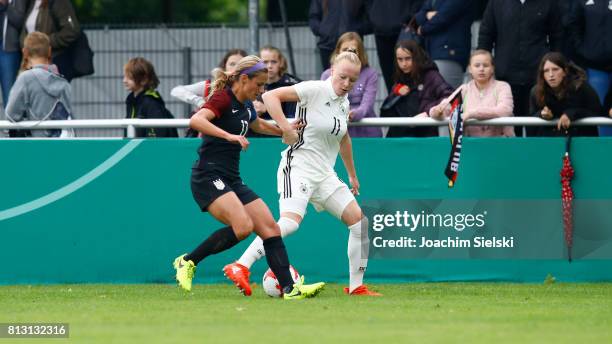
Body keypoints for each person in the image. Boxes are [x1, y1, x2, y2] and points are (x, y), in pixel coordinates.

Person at [223, 52, 381, 297]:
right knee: (289, 223)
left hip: (325, 174)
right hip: (297, 167)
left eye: (353, 80)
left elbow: (344, 137)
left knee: (360, 224)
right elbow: (269, 95)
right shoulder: (315, 89)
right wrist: (285, 128)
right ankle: (241, 265)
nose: (347, 84)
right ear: (332, 70)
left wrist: (352, 175)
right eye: (342, 77)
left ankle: (356, 286)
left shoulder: (344, 102)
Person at [172, 55, 325, 300]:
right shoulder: (223, 97)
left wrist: (285, 129)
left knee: (269, 227)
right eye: (259, 84)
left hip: (231, 178)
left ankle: (290, 289)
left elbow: (258, 126)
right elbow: (196, 120)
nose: (262, 90)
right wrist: (229, 136)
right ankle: (187, 261)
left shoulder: (246, 105)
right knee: (243, 227)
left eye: (265, 85)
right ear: (244, 79)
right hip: (207, 175)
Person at [477, 0, 562, 136]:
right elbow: (486, 36)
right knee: (508, 132)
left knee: (537, 131)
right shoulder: (496, 3)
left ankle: (536, 157)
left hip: (538, 80)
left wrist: (555, 67)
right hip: (505, 79)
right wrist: (482, 65)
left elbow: (557, 37)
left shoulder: (548, 3)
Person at [430, 49, 514, 137]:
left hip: (501, 144)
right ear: (470, 69)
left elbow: (505, 110)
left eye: (485, 65)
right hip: (471, 145)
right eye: (477, 65)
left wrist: (471, 114)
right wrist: (436, 112)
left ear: (492, 68)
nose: (481, 69)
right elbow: (446, 107)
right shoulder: (464, 89)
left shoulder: (502, 86)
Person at [380, 39, 453, 137]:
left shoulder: (431, 75)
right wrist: (396, 94)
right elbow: (385, 113)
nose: (404, 64)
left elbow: (449, 96)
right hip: (398, 138)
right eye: (400, 59)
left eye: (408, 58)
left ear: (416, 57)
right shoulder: (399, 78)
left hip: (424, 137)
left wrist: (429, 111)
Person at [5, 31, 72, 137]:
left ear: (25, 52)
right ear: (49, 51)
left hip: (36, 146)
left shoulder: (26, 78)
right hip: (62, 145)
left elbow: (11, 114)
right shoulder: (64, 83)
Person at [321, 32, 381, 137]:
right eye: (345, 50)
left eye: (353, 50)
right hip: (337, 132)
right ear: (337, 52)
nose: (349, 53)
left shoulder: (370, 74)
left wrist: (355, 114)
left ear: (360, 53)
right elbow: (325, 104)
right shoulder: (327, 75)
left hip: (365, 131)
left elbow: (367, 105)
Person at [529, 52, 602, 137]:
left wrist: (572, 114)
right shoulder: (536, 91)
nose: (551, 75)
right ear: (542, 75)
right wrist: (542, 114)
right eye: (546, 71)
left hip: (581, 139)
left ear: (565, 71)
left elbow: (598, 112)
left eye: (555, 69)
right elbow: (532, 117)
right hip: (549, 141)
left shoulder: (580, 87)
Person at [567, 0, 612, 136]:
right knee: (599, 111)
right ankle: (602, 151)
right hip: (595, 67)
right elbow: (574, 24)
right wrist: (583, 49)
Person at [365, 0, 424, 92]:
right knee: (392, 84)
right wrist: (373, 16)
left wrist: (410, 16)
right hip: (382, 30)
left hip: (405, 29)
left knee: (411, 80)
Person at [414, 0, 474, 89]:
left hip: (449, 52)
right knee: (435, 97)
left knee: (447, 98)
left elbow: (442, 17)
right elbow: (418, 16)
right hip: (432, 52)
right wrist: (427, 15)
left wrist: (422, 29)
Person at [22, 0, 81, 81]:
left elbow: (72, 30)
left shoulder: (59, 2)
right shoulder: (32, 3)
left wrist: (45, 42)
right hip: (33, 62)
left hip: (54, 60)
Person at [248, 45, 299, 138]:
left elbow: (293, 118)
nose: (269, 66)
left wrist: (269, 108)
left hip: (283, 137)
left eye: (274, 62)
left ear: (281, 63)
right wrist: (252, 111)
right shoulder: (249, 84)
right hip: (255, 138)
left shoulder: (291, 85)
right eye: (265, 62)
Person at [171, 49, 247, 110]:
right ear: (224, 66)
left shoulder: (252, 87)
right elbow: (176, 91)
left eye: (240, 64)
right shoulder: (211, 85)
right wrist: (199, 101)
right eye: (232, 64)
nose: (236, 68)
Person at [123, 57, 178, 138]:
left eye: (129, 78)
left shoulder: (151, 102)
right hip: (136, 146)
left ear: (144, 79)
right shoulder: (131, 99)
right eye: (125, 76)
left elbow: (159, 132)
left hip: (147, 148)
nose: (124, 80)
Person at [308, 0, 371, 70]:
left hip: (351, 46)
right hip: (328, 46)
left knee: (353, 78)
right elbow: (314, 16)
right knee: (330, 78)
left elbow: (372, 17)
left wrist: (356, 30)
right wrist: (323, 30)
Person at [0, 0, 26, 106]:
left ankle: (11, 121)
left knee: (10, 96)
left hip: (8, 50)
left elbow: (20, 21)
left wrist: (5, 5)